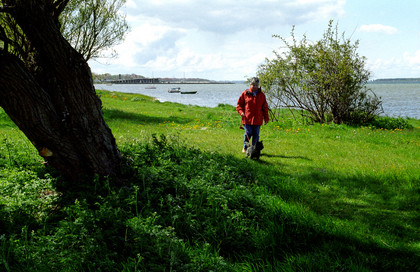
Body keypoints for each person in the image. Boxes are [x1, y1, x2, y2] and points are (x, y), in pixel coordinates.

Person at [236, 77, 269, 153]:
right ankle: (245, 147)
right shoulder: (245, 93)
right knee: (248, 133)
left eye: (256, 85)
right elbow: (239, 105)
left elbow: (265, 108)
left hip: (258, 119)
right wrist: (241, 112)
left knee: (256, 135)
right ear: (250, 85)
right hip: (247, 119)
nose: (254, 86)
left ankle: (254, 150)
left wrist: (266, 118)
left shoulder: (262, 95)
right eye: (253, 85)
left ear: (258, 85)